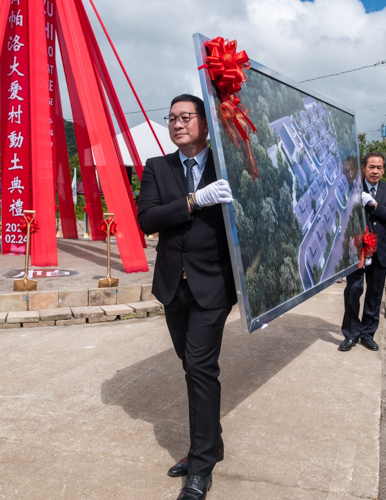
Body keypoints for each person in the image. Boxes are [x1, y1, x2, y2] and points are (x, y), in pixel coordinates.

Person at [137, 94, 236, 500]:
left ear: (204, 122)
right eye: (172, 118)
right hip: (172, 285)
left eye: (186, 117)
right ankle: (210, 441)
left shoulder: (224, 165)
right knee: (190, 364)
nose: (177, 124)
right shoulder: (157, 167)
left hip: (213, 285)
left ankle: (200, 466)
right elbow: (147, 219)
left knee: (199, 367)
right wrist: (195, 200)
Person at [340, 151, 386, 352]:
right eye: (371, 167)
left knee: (374, 295)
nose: (375, 171)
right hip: (357, 250)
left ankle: (367, 334)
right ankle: (351, 333)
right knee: (353, 292)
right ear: (364, 168)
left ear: (383, 170)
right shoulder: (353, 187)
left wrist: (374, 204)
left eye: (379, 167)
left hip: (380, 251)